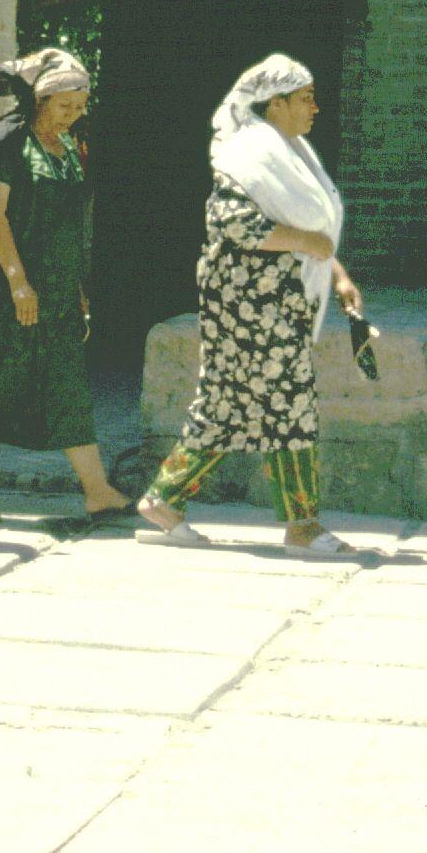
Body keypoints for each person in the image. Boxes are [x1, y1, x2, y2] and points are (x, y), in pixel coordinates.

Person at [136, 54, 368, 558]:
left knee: (228, 404)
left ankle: (163, 500)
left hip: (277, 301)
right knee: (289, 404)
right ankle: (303, 527)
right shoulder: (247, 153)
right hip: (250, 306)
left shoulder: (293, 152)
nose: (315, 107)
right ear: (276, 102)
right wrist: (310, 245)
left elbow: (315, 231)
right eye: (305, 98)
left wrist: (337, 272)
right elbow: (233, 223)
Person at [0, 48, 130, 524]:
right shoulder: (6, 142)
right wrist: (19, 284)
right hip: (3, 285)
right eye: (66, 106)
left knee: (67, 382)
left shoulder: (68, 148)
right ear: (41, 100)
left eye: (81, 105)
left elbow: (69, 224)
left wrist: (77, 286)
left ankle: (97, 490)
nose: (75, 115)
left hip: (59, 287)